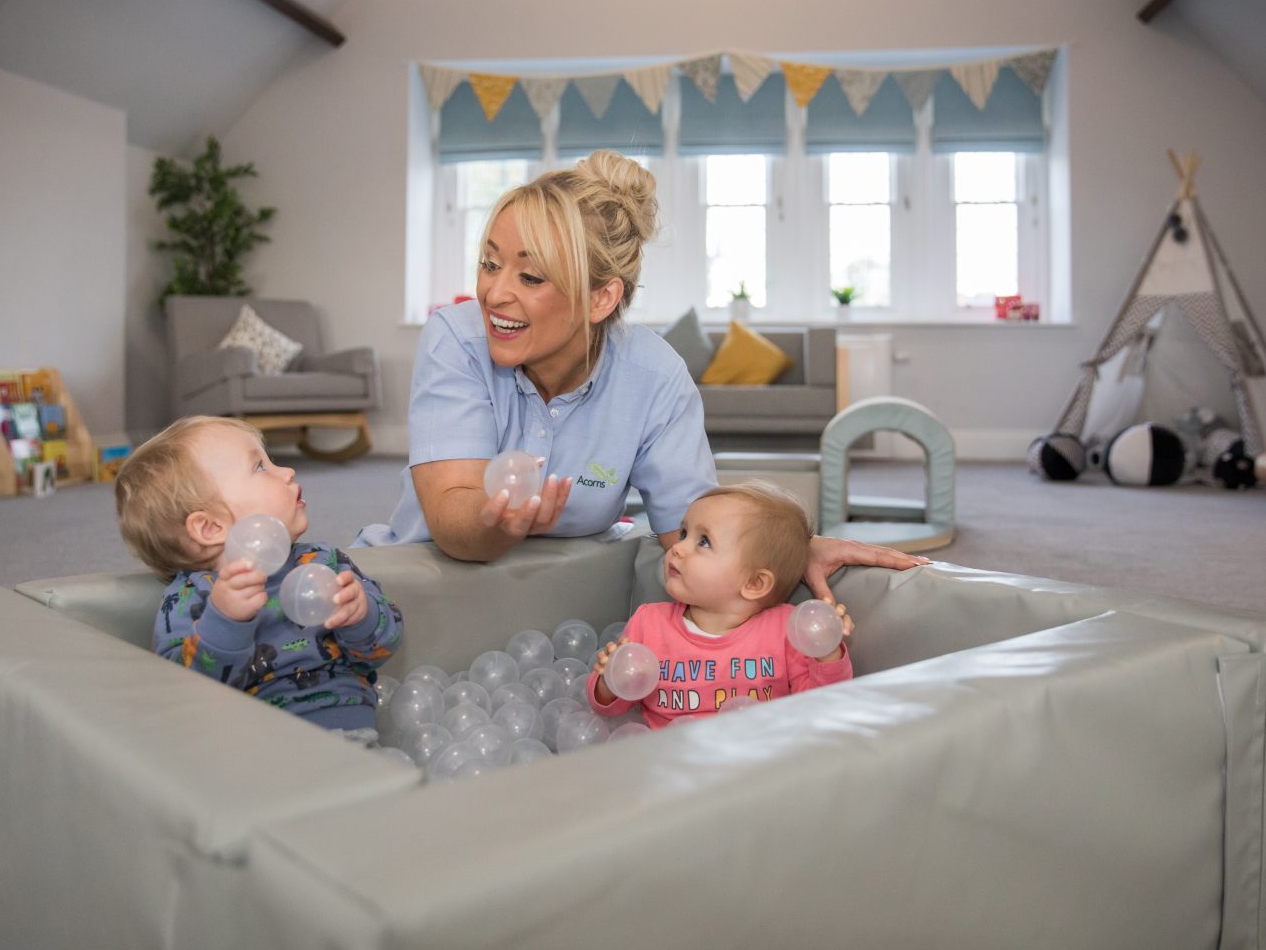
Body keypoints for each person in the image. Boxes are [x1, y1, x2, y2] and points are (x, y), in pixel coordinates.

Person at [357, 148, 923, 603]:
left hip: (557, 608)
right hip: (414, 593)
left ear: (602, 298)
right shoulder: (455, 339)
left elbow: (692, 528)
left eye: (529, 276)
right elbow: (452, 515)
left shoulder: (654, 375)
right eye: (489, 262)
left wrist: (792, 552)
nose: (494, 293)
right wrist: (495, 523)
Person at [116, 416, 402, 737]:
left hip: (350, 734)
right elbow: (185, 698)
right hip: (254, 748)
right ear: (211, 527)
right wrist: (225, 620)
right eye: (260, 467)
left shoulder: (322, 563)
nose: (287, 471)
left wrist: (360, 615)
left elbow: (381, 650)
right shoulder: (189, 600)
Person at [587, 482, 851, 728]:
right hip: (669, 760)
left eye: (703, 541)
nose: (677, 548)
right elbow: (610, 709)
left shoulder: (786, 628)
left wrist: (827, 650)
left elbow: (818, 703)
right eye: (683, 533)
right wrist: (610, 681)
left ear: (755, 583)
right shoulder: (649, 623)